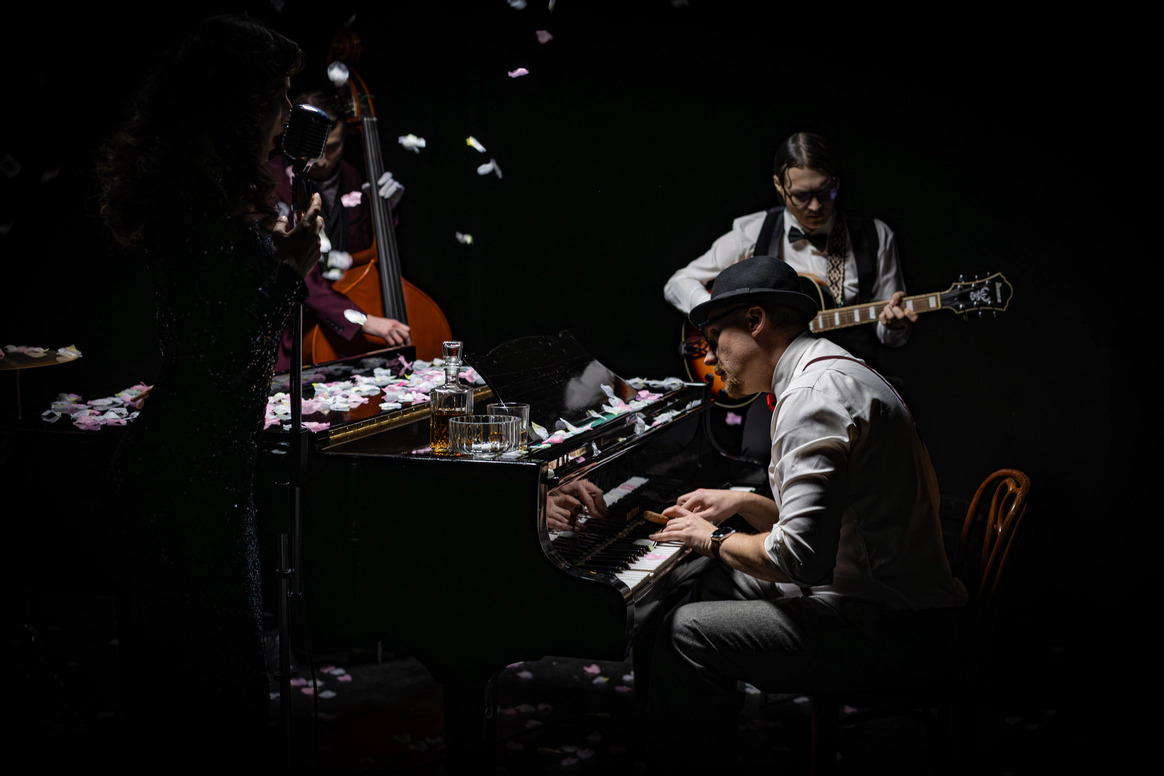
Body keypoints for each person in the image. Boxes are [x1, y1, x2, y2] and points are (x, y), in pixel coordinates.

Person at [96, 15, 321, 768]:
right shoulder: (190, 201)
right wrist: (287, 271)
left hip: (211, 470)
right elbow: (219, 352)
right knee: (207, 699)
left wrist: (278, 263)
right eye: (278, 95)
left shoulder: (209, 195)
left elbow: (223, 328)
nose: (288, 112)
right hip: (184, 477)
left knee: (216, 692)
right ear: (239, 105)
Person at [646, 256, 966, 772]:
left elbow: (802, 560)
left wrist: (711, 539)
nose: (711, 356)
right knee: (714, 583)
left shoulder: (811, 396)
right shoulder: (829, 367)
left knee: (686, 629)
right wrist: (742, 503)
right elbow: (829, 523)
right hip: (893, 601)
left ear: (755, 321)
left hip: (889, 627)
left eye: (715, 338)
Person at [664, 131, 917, 460]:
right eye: (801, 195)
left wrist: (895, 326)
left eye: (825, 192)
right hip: (774, 379)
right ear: (779, 186)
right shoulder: (753, 230)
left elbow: (889, 334)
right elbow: (678, 282)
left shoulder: (876, 236)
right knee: (760, 453)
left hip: (850, 376)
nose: (815, 206)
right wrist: (718, 324)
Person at [272, 88, 410, 370]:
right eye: (316, 148)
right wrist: (362, 319)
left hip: (341, 337)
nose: (322, 160)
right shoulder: (272, 181)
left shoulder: (352, 175)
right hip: (292, 337)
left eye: (332, 147)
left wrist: (384, 214)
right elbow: (296, 270)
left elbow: (362, 251)